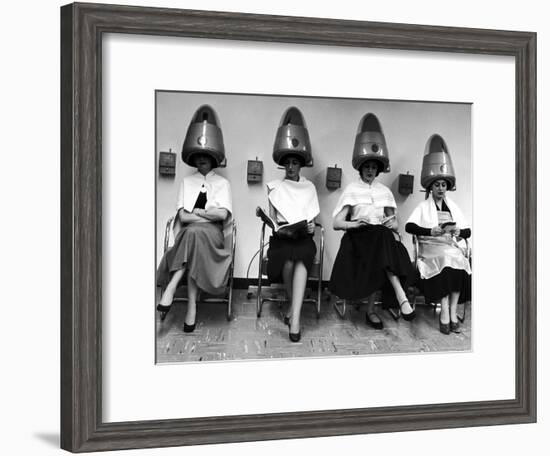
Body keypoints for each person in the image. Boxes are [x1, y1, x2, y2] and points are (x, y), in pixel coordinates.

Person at [329, 113, 415, 329]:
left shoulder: (384, 191)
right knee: (381, 240)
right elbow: (336, 223)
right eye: (367, 167)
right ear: (361, 168)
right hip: (358, 239)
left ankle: (377, 307)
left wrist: (390, 223)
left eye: (374, 167)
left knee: (383, 235)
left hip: (380, 238)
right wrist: (354, 224)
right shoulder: (351, 189)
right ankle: (397, 296)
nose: (370, 171)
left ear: (378, 169)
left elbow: (395, 225)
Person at [156, 105, 232, 333]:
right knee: (193, 233)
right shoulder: (186, 183)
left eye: (206, 155)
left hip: (213, 236)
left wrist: (197, 214)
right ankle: (191, 308)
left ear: (213, 157)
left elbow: (222, 215)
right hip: (193, 235)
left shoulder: (223, 184)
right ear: (193, 157)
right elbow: (182, 216)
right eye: (198, 155)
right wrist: (204, 216)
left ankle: (172, 286)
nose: (202, 159)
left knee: (193, 232)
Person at [262, 107, 320, 342]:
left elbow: (313, 221)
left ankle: (294, 317)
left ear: (301, 164)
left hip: (303, 238)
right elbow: (273, 217)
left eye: (295, 163)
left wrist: (311, 227)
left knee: (303, 257)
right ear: (283, 164)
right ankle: (293, 304)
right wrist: (273, 223)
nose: (291, 167)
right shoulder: (274, 186)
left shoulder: (309, 187)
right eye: (288, 163)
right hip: (282, 237)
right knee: (286, 261)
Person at [405, 134, 471, 335]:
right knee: (445, 260)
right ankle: (443, 311)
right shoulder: (423, 206)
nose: (441, 189)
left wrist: (458, 231)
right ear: (430, 187)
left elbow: (468, 231)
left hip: (448, 245)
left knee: (459, 259)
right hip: (430, 247)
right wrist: (430, 230)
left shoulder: (453, 207)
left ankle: (452, 312)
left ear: (447, 187)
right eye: (437, 185)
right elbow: (409, 227)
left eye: (444, 185)